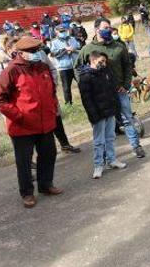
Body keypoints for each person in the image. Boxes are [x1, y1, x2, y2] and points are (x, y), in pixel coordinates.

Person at [0, 36, 63, 208]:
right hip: (23, 126)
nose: (36, 53)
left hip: (45, 122)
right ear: (20, 53)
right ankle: (27, 193)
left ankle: (46, 185)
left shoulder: (43, 67)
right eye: (31, 51)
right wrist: (19, 116)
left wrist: (52, 108)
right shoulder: (12, 70)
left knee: (48, 154)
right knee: (24, 162)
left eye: (38, 50)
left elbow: (51, 91)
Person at [76, 19, 144, 158]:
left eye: (109, 27)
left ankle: (136, 146)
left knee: (127, 119)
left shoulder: (119, 46)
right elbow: (78, 69)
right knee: (105, 124)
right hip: (101, 95)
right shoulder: (87, 50)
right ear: (96, 30)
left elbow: (128, 66)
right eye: (105, 27)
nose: (109, 29)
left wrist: (126, 85)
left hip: (120, 91)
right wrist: (86, 85)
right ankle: (106, 156)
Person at [79, 51, 128, 179]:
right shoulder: (86, 77)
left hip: (110, 111)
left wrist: (116, 108)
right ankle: (98, 165)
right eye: (101, 61)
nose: (104, 63)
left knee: (110, 137)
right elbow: (86, 99)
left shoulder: (106, 72)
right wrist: (93, 115)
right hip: (98, 114)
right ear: (93, 60)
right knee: (99, 141)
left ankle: (112, 160)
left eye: (105, 61)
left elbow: (112, 91)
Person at [50, 26, 80, 106]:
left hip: (75, 66)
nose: (63, 33)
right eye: (61, 31)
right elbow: (54, 54)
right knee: (66, 87)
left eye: (64, 31)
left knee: (82, 83)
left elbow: (79, 48)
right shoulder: (54, 42)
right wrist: (65, 50)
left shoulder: (72, 39)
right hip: (64, 68)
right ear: (57, 32)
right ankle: (68, 103)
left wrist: (73, 50)